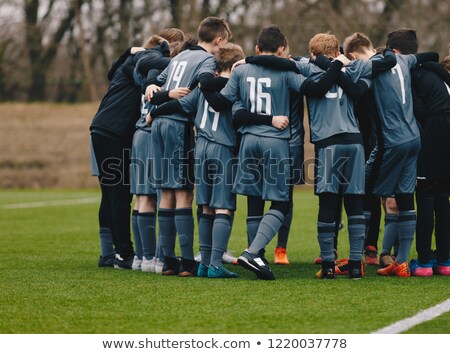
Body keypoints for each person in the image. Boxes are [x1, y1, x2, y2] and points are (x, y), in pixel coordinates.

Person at [203, 25, 349, 280]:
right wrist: (337, 66)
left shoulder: (242, 70)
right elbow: (316, 89)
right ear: (282, 49)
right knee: (281, 202)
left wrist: (203, 82)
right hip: (275, 143)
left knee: (254, 201)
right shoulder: (286, 72)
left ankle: (257, 259)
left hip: (248, 142)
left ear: (257, 48)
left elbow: (221, 102)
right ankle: (254, 252)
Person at [344, 31, 439, 277]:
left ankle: (358, 260)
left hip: (391, 141)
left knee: (362, 190)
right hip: (413, 139)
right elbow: (433, 55)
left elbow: (351, 87)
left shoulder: (368, 65)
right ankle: (402, 262)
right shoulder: (405, 60)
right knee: (405, 196)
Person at [148, 43, 245, 278]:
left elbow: (179, 104)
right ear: (236, 66)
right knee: (223, 206)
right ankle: (215, 265)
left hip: (200, 148)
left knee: (205, 207)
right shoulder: (237, 88)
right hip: (223, 149)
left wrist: (154, 112)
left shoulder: (202, 89)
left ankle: (202, 263)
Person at [384, 29, 450, 277]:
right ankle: (444, 261)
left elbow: (419, 110)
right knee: (444, 200)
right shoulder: (437, 70)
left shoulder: (410, 73)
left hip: (433, 135)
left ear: (396, 52)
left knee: (425, 199)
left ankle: (423, 262)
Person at [129, 31, 186, 272]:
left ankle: (142, 257)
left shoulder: (143, 67)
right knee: (162, 197)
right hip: (153, 133)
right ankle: (159, 258)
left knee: (142, 197)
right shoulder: (167, 71)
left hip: (139, 134)